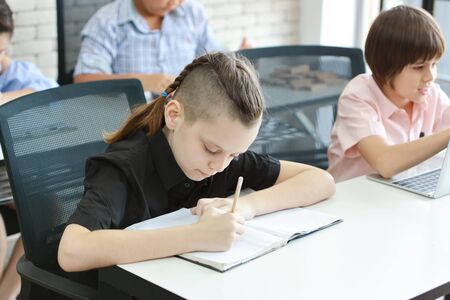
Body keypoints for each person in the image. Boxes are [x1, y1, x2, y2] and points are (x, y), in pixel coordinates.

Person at [58, 52, 335, 286]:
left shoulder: (224, 155)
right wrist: (195, 237)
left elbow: (320, 180)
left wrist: (245, 208)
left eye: (235, 153)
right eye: (211, 149)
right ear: (174, 115)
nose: (220, 165)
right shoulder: (123, 167)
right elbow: (72, 251)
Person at [327, 5, 450, 182]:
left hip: (401, 197)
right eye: (419, 67)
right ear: (387, 67)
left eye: (434, 64)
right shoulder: (358, 96)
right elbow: (385, 163)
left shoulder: (431, 95)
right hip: (351, 203)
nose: (430, 76)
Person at [0, 1, 58, 299]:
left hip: (7, 181)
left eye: (0, 52)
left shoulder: (15, 74)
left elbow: (50, 97)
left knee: (46, 207)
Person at [74, 0, 250, 96]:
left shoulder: (191, 12)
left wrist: (238, 58)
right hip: (134, 122)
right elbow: (84, 80)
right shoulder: (108, 21)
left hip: (186, 116)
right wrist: (142, 82)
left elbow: (214, 57)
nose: (175, 2)